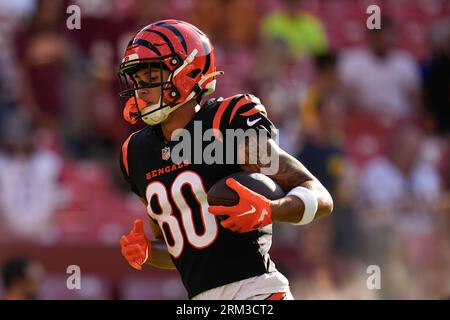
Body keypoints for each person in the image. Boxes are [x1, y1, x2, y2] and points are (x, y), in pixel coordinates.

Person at [118, 20, 333, 300]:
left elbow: (321, 197)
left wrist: (271, 209)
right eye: (137, 80)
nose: (141, 89)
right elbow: (183, 248)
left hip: (257, 292)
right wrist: (148, 250)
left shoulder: (226, 124)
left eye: (151, 77)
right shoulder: (136, 152)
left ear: (186, 73)